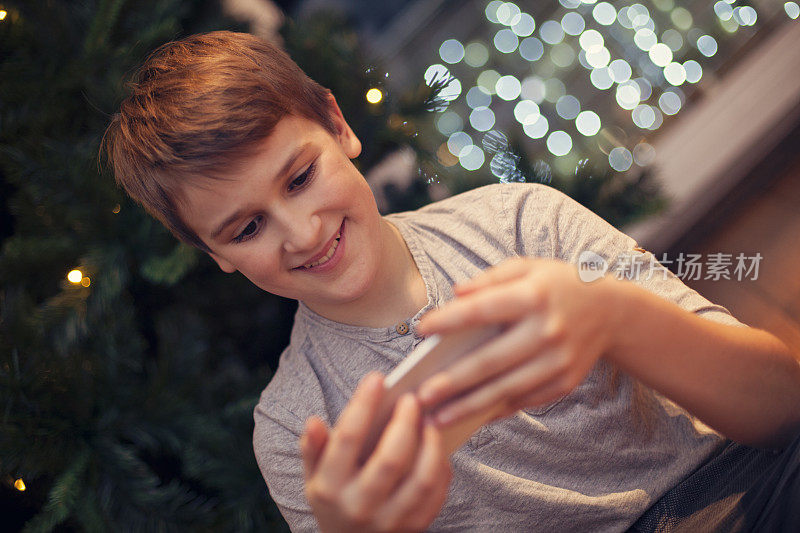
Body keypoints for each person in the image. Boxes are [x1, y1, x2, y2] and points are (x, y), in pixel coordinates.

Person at [101, 30, 800, 532]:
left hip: (742, 489)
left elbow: (781, 404)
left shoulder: (520, 223)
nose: (304, 232)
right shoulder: (294, 429)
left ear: (339, 126)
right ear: (213, 253)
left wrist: (614, 317)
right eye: (246, 228)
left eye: (301, 176)